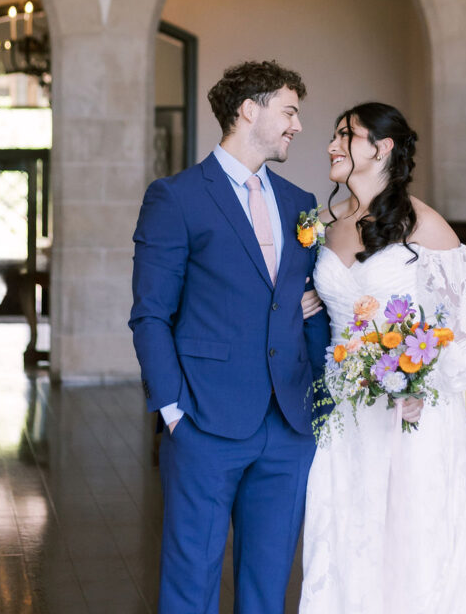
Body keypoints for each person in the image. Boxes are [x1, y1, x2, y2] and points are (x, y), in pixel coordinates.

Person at [300, 102, 466, 614]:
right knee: (346, 530)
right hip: (341, 410)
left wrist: (418, 383)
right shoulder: (322, 222)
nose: (331, 145)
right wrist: (308, 301)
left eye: (346, 135)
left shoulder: (424, 225)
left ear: (382, 148)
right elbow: (321, 301)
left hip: (409, 415)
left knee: (413, 540)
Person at [129, 60, 330, 614]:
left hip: (288, 423)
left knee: (268, 589)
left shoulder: (299, 203)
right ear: (250, 109)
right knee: (190, 583)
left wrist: (318, 398)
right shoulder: (177, 197)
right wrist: (172, 412)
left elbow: (306, 303)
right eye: (289, 111)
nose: (297, 125)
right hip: (204, 420)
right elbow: (150, 315)